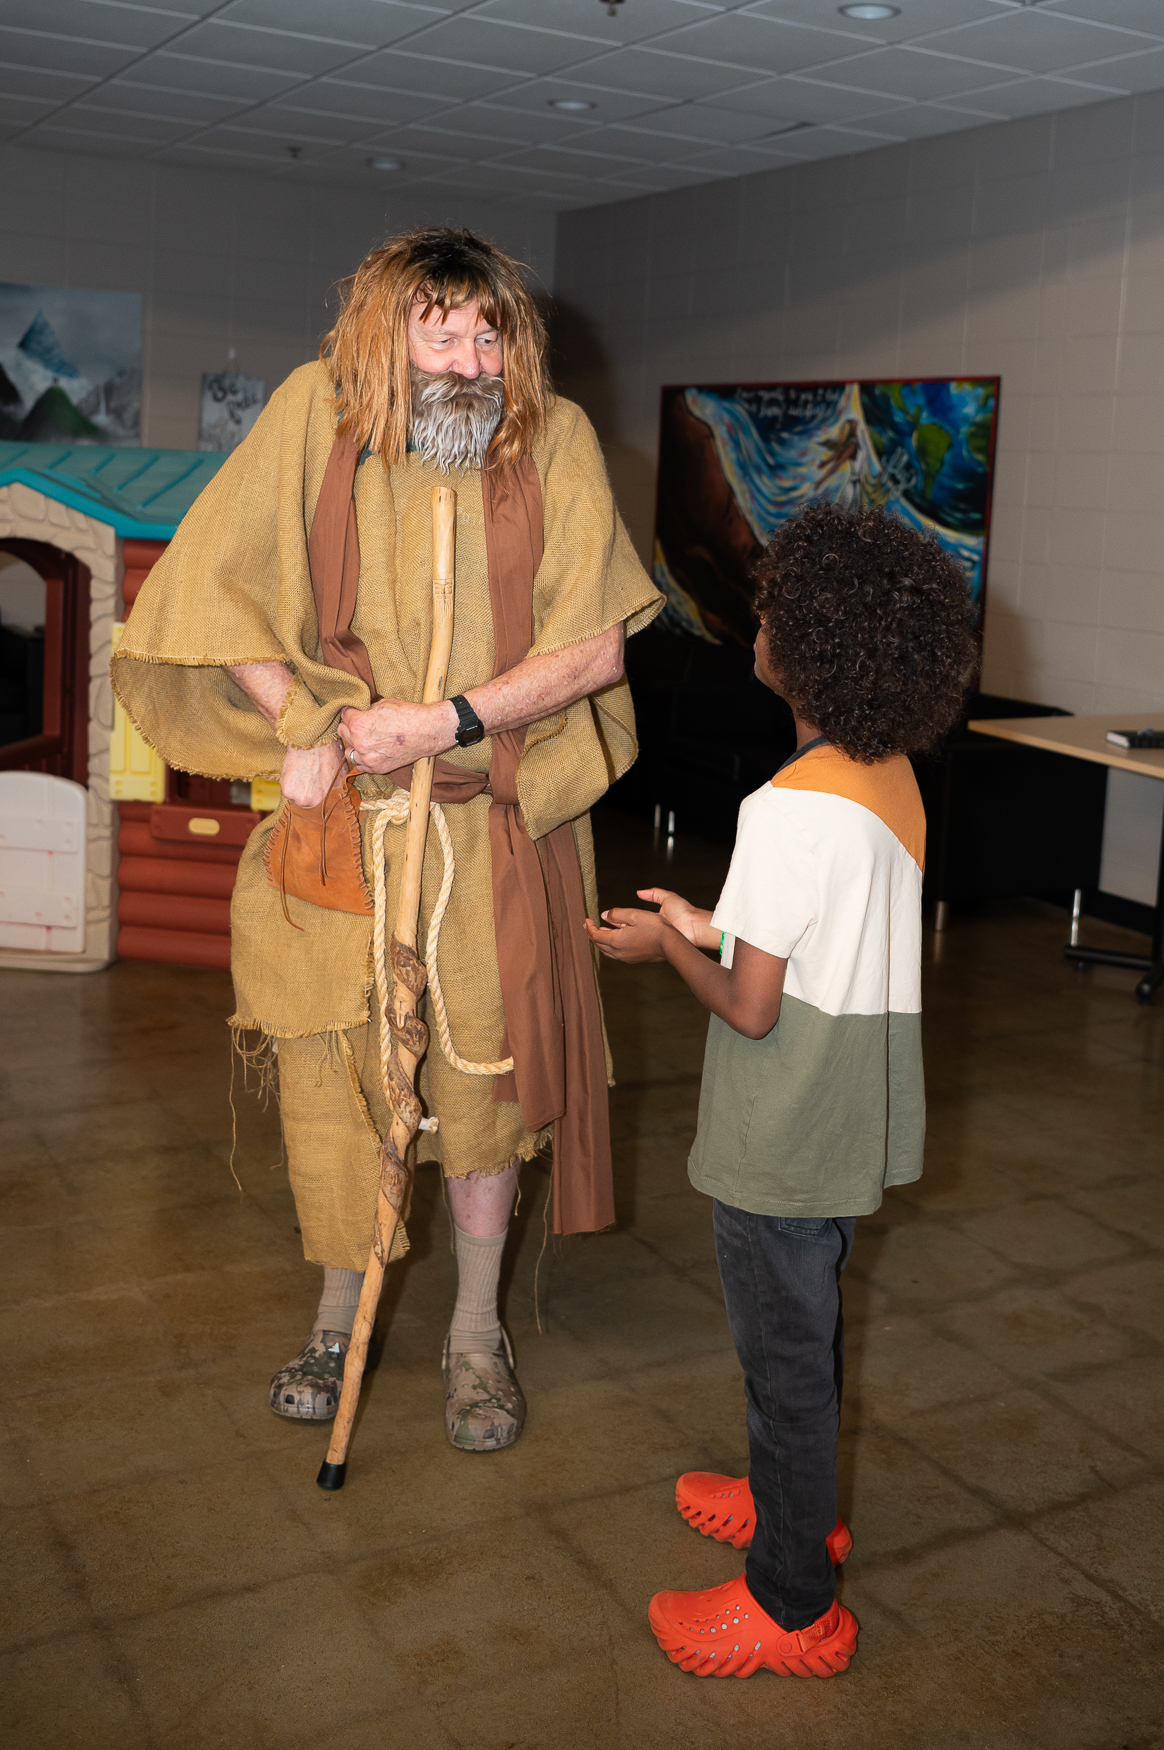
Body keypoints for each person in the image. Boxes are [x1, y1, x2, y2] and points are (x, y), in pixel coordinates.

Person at [113, 227, 660, 1453]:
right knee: (337, 1089)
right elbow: (206, 591)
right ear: (384, 334)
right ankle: (333, 1317)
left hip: (491, 832)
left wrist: (448, 719)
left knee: (481, 1093)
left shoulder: (553, 440)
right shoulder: (318, 415)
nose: (469, 360)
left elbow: (596, 649)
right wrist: (309, 717)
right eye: (441, 331)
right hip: (343, 836)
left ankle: (475, 1337)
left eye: (489, 334)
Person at [587, 501, 975, 1677]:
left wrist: (673, 952)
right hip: (848, 1112)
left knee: (785, 1356)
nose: (753, 625)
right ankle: (785, 1496)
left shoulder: (782, 808)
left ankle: (793, 1600)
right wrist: (714, 920)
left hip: (784, 1123)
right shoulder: (885, 777)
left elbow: (753, 1007)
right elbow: (818, 934)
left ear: (806, 647)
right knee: (800, 1332)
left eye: (768, 612)